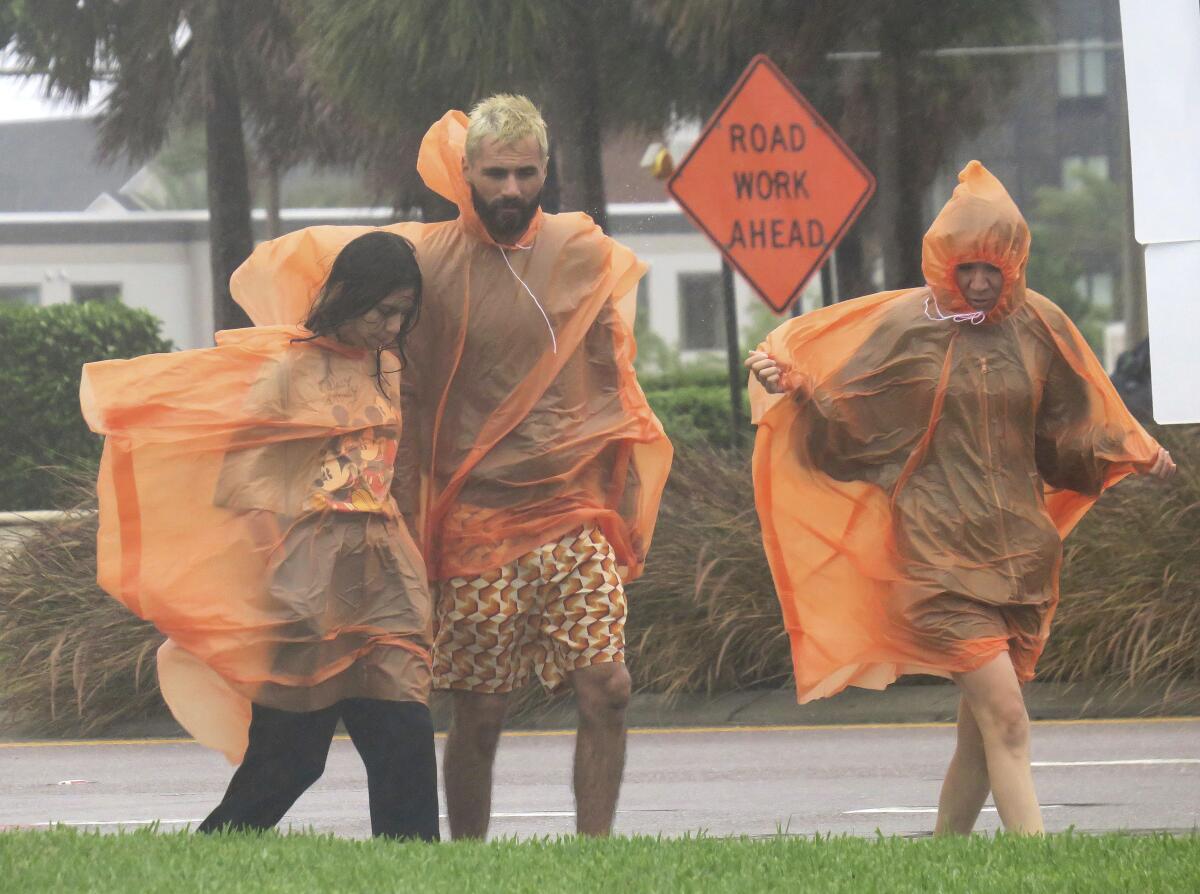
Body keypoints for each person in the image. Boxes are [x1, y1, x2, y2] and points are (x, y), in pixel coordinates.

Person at [234, 95, 673, 838]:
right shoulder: (429, 261)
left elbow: (612, 377)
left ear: (547, 171)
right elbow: (354, 307)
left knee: (611, 687)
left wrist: (623, 484)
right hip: (471, 523)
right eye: (496, 172)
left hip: (569, 514)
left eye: (526, 173)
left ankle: (598, 859)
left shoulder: (582, 251)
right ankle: (465, 862)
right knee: (480, 710)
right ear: (465, 171)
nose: (511, 189)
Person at [745, 161, 1176, 836]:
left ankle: (945, 852)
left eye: (991, 268)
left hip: (1021, 561)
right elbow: (852, 427)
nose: (978, 281)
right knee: (1005, 717)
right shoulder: (908, 329)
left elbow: (1068, 429)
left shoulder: (1039, 326)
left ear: (1013, 263)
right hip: (936, 561)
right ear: (944, 262)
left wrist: (1130, 450)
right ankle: (1038, 867)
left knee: (981, 734)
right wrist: (799, 389)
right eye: (965, 267)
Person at [80, 231, 439, 840]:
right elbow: (239, 483)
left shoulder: (389, 366)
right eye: (383, 310)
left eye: (404, 312)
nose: (392, 324)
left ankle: (419, 871)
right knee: (292, 757)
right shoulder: (287, 369)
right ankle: (212, 855)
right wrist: (289, 556)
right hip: (307, 582)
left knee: (402, 736)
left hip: (386, 579)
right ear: (347, 295)